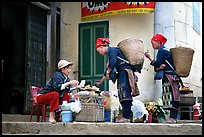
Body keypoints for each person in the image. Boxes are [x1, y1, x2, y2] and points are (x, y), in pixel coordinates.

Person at [95, 38, 139, 123]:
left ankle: (126, 117)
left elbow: (112, 63)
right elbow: (108, 69)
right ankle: (125, 116)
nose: (99, 53)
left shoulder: (113, 50)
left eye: (98, 51)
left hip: (124, 72)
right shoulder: (111, 53)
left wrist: (108, 72)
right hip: (122, 73)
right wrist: (100, 82)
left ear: (101, 47)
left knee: (125, 94)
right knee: (122, 94)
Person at [144, 33, 183, 123]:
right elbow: (158, 67)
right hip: (169, 76)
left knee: (173, 96)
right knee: (170, 96)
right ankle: (173, 118)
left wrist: (149, 57)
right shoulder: (163, 51)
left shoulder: (162, 51)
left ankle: (173, 118)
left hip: (170, 77)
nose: (152, 44)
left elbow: (157, 64)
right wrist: (158, 66)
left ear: (158, 42)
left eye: (153, 42)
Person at [36, 59, 79, 123]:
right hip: (42, 97)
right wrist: (69, 83)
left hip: (54, 97)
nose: (69, 70)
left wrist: (76, 87)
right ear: (62, 69)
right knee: (55, 94)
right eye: (67, 68)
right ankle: (51, 117)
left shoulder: (67, 78)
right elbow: (57, 87)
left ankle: (61, 115)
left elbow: (66, 90)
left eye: (70, 68)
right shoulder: (57, 75)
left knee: (65, 95)